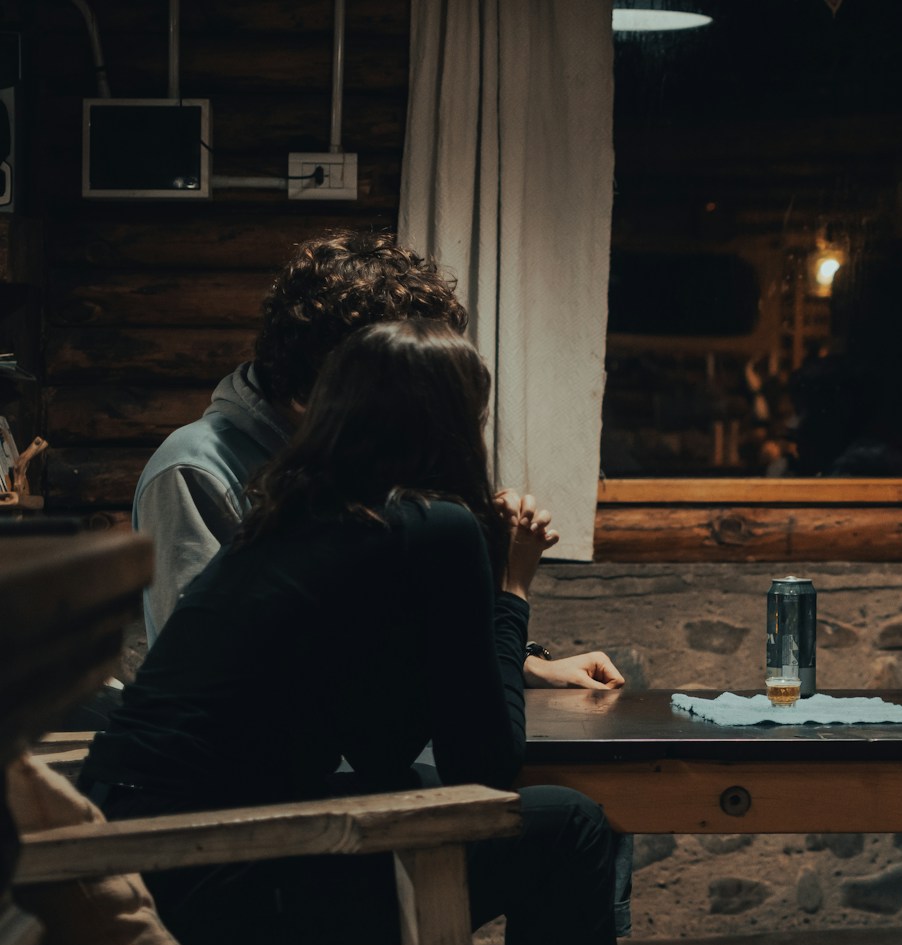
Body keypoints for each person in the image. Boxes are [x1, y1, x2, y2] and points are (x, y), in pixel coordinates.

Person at [80, 320, 620, 945]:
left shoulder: (281, 520)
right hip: (220, 887)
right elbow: (486, 767)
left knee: (499, 807)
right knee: (570, 824)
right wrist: (511, 584)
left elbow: (378, 749)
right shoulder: (432, 529)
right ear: (454, 425)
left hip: (131, 869)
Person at [132, 230, 623, 693]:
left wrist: (520, 660)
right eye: (408, 381)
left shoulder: (358, 453)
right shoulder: (194, 471)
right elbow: (206, 675)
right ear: (345, 378)